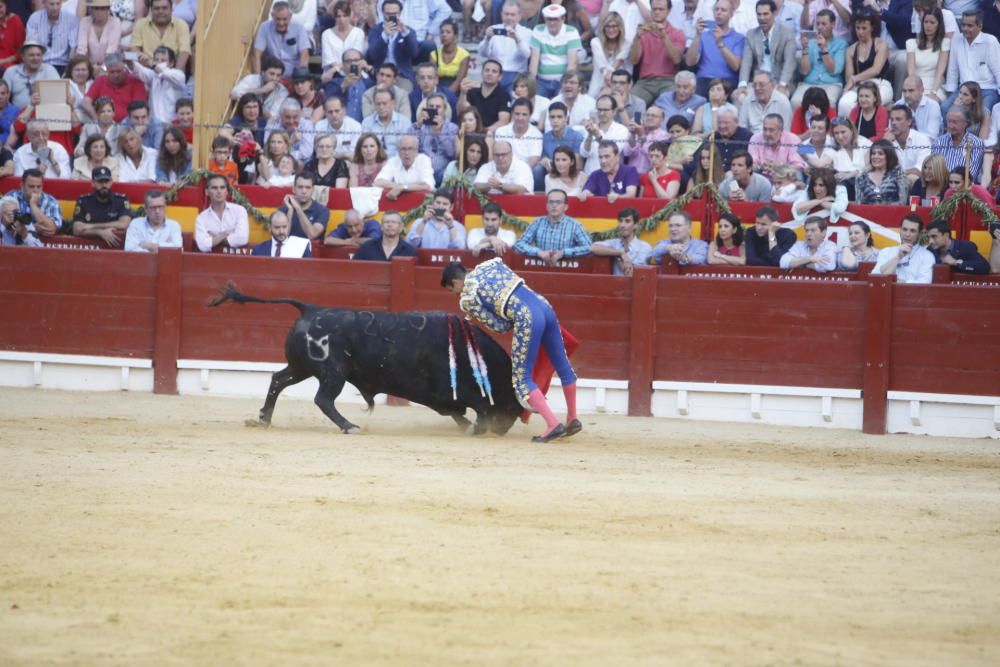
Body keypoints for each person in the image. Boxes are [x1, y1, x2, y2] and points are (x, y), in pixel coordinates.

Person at [734, 0, 797, 106]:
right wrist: (742, 84)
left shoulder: (787, 33)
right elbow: (746, 62)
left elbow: (789, 63)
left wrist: (782, 84)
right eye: (759, 14)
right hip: (758, 81)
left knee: (780, 98)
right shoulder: (751, 34)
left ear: (775, 13)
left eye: (765, 14)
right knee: (739, 97)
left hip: (779, 81)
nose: (762, 18)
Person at [942, 9, 1000, 115]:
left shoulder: (990, 42)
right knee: (945, 108)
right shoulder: (957, 40)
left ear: (980, 26)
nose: (965, 29)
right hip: (963, 90)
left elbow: (998, 71)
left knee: (983, 113)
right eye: (963, 25)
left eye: (969, 26)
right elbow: (953, 70)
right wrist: (952, 94)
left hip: (986, 90)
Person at [628, 0, 684, 106]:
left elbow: (676, 59)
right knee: (632, 106)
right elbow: (634, 60)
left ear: (669, 11)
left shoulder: (677, 33)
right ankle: (635, 122)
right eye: (654, 9)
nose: (657, 12)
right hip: (645, 82)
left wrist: (664, 37)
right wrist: (637, 38)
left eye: (661, 9)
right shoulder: (644, 32)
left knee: (668, 105)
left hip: (668, 81)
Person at [838, 10, 893, 118]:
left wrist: (855, 78)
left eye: (864, 28)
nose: (860, 32)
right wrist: (853, 81)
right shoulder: (850, 50)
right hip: (860, 86)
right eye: (857, 28)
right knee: (844, 103)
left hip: (880, 84)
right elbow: (849, 77)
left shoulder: (881, 44)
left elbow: (876, 70)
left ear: (872, 28)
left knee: (869, 102)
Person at [513, 188, 592, 263]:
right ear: (547, 206)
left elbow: (589, 248)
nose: (554, 205)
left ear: (566, 207)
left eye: (558, 202)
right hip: (540, 268)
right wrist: (538, 252)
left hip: (567, 270)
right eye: (551, 202)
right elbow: (519, 244)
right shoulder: (537, 222)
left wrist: (564, 253)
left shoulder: (575, 226)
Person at [685, 0, 745, 97]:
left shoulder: (739, 38)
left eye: (723, 10)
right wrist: (697, 35)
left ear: (731, 14)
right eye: (716, 9)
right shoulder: (703, 36)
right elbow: (690, 62)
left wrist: (720, 43)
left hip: (727, 81)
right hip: (704, 80)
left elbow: (735, 66)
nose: (719, 12)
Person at [791, 9, 846, 108]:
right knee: (796, 101)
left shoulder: (841, 44)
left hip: (831, 83)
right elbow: (805, 71)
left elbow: (834, 71)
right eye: (818, 24)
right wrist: (805, 49)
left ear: (833, 24)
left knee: (829, 102)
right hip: (809, 83)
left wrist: (824, 49)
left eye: (824, 24)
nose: (820, 27)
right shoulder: (810, 43)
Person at [479, 1, 533, 93]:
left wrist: (516, 39)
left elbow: (526, 55)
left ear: (519, 16)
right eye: (506, 14)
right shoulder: (494, 29)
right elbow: (483, 53)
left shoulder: (527, 32)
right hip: (495, 74)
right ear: (501, 14)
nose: (509, 17)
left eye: (512, 15)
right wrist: (487, 39)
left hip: (516, 75)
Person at [529, 4, 581, 98]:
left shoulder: (572, 32)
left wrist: (566, 85)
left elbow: (572, 63)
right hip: (542, 81)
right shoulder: (538, 30)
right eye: (549, 19)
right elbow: (534, 58)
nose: (552, 22)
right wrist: (532, 84)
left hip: (562, 81)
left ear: (563, 19)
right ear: (545, 19)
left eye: (555, 19)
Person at [69, 165, 130, 242]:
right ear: (92, 183)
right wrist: (99, 232)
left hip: (116, 246)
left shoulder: (121, 200)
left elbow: (125, 224)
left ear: (111, 182)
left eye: (106, 181)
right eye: (100, 182)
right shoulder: (84, 201)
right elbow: (76, 229)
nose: (104, 185)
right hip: (90, 247)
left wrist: (89, 226)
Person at [365, 0, 419, 86]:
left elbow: (414, 53)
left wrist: (405, 33)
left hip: (401, 75)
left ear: (400, 13)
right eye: (388, 14)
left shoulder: (408, 31)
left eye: (394, 13)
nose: (391, 16)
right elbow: (372, 55)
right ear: (382, 13)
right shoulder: (375, 31)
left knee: (405, 91)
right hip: (380, 75)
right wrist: (384, 36)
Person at [82, 52, 146, 122]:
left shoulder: (136, 82)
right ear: (107, 70)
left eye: (119, 71)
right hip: (103, 124)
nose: (116, 75)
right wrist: (96, 119)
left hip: (128, 126)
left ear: (125, 69)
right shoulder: (100, 81)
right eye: (112, 72)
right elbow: (86, 102)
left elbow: (139, 109)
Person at [872, 213, 935, 282]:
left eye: (912, 231)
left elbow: (925, 282)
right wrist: (898, 257)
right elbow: (875, 277)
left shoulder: (927, 256)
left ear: (920, 233)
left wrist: (901, 282)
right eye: (904, 229)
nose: (907, 234)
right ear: (900, 230)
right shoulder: (886, 251)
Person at [194, 173, 249, 252]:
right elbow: (202, 245)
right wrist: (225, 234)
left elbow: (242, 238)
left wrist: (214, 239)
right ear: (207, 192)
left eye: (222, 187)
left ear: (227, 191)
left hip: (236, 259)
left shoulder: (239, 211)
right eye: (214, 188)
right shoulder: (201, 218)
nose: (219, 191)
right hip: (211, 260)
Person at [129, 0, 190, 72]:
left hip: (172, 72)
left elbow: (184, 51)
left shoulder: (181, 25)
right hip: (147, 71)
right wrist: (143, 60)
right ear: (151, 10)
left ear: (171, 9)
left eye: (164, 8)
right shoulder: (141, 24)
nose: (160, 11)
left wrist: (175, 74)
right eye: (157, 8)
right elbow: (134, 48)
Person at [590, 206, 653, 276]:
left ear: (636, 225)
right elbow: (592, 248)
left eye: (627, 221)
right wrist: (620, 253)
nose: (622, 225)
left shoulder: (644, 247)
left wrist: (619, 259)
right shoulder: (614, 243)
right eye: (620, 221)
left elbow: (631, 274)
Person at [253, 0, 310, 77]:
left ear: (290, 16)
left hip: (292, 74)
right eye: (278, 19)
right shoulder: (264, 27)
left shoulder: (299, 28)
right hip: (272, 75)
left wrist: (300, 77)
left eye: (284, 19)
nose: (281, 23)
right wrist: (257, 78)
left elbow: (305, 54)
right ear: (272, 16)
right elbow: (256, 54)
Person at [411, 92, 459, 184]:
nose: (434, 109)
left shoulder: (453, 128)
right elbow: (411, 149)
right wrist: (419, 126)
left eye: (438, 107)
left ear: (444, 109)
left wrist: (439, 133)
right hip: (420, 171)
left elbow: (452, 154)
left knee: (447, 176)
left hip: (443, 171)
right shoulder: (416, 126)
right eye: (431, 106)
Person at [931, 105, 985, 183]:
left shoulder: (977, 144)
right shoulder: (939, 142)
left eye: (955, 122)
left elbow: (971, 175)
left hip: (963, 188)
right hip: (941, 185)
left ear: (966, 123)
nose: (950, 126)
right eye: (949, 121)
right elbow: (935, 171)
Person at [906, 7, 949, 102]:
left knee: (930, 103)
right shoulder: (911, 43)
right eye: (926, 22)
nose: (928, 26)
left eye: (932, 23)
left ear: (939, 24)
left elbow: (940, 72)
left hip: (936, 85)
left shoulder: (944, 43)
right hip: (916, 84)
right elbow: (911, 73)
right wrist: (915, 90)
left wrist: (933, 92)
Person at [373, 133, 435, 198]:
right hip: (398, 201)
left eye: (410, 149)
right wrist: (400, 187)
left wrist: (403, 187)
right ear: (398, 151)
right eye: (403, 149)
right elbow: (378, 182)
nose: (407, 153)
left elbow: (428, 186)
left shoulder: (424, 160)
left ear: (416, 151)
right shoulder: (393, 161)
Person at [230, 55, 290, 122]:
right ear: (262, 73)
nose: (274, 78)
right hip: (243, 120)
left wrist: (256, 106)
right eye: (271, 74)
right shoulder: (251, 79)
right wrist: (261, 90)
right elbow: (234, 93)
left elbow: (272, 117)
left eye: (278, 75)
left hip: (265, 125)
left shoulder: (282, 91)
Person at [579, 94, 629, 173]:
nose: (602, 113)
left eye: (605, 110)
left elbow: (613, 151)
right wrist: (590, 135)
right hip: (590, 175)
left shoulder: (622, 130)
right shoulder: (591, 128)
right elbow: (584, 153)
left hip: (610, 176)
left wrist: (598, 135)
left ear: (614, 111)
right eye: (599, 109)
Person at [748, 113, 806, 180]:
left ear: (781, 130)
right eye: (765, 129)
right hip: (761, 178)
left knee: (798, 174)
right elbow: (751, 164)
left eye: (771, 130)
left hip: (785, 179)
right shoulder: (755, 139)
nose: (767, 133)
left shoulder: (793, 140)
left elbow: (798, 166)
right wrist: (761, 167)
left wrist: (779, 167)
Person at [3, 40, 59, 109]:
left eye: (39, 55)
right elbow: (2, 95)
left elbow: (58, 95)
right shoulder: (11, 71)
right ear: (23, 57)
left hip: (42, 115)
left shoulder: (49, 70)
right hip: (16, 116)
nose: (36, 58)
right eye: (31, 55)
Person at [457, 59, 510, 131]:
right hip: (471, 131)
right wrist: (463, 93)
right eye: (487, 70)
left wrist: (484, 132)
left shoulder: (504, 96)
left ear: (500, 77)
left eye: (494, 71)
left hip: (492, 134)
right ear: (482, 73)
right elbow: (461, 112)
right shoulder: (472, 92)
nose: (489, 73)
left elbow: (503, 122)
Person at [26, 0, 78, 73]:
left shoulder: (71, 19)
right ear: (44, 3)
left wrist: (70, 69)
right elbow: (31, 45)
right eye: (51, 4)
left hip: (63, 65)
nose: (55, 8)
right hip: (40, 64)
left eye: (58, 4)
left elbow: (73, 47)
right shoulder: (34, 18)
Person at [123, 188, 180, 252]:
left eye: (160, 207)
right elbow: (129, 249)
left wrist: (150, 246)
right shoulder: (136, 224)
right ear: (146, 209)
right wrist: (163, 248)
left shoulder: (173, 225)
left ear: (165, 207)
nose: (157, 211)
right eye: (153, 208)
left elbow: (178, 249)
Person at [7, 168, 61, 236]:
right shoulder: (11, 197)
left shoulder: (50, 201)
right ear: (22, 185)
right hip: (13, 243)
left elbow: (51, 228)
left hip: (41, 245)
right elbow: (6, 226)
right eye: (31, 186)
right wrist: (33, 228)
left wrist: (33, 205)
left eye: (39, 187)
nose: (35, 190)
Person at [277, 171, 331, 240]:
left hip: (311, 250)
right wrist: (290, 211)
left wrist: (298, 208)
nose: (304, 191)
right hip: (287, 249)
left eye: (308, 187)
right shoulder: (283, 210)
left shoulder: (322, 211)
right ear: (294, 189)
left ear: (313, 190)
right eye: (300, 187)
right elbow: (282, 238)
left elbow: (312, 235)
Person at [884, 104, 932, 180]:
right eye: (892, 119)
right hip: (891, 184)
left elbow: (920, 171)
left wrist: (896, 174)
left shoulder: (922, 140)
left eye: (898, 119)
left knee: (913, 177)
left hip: (915, 184)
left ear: (909, 122)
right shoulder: (887, 139)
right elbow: (876, 168)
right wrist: (885, 144)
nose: (893, 123)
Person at [494, 98, 542, 171]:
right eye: (517, 114)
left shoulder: (537, 134)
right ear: (512, 113)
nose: (520, 118)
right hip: (504, 170)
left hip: (525, 171)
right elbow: (498, 156)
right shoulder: (501, 131)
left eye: (524, 114)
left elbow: (534, 159)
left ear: (530, 115)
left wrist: (519, 174)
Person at [925, 218, 991, 273]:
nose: (930, 241)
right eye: (929, 237)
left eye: (934, 236)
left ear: (946, 235)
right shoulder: (929, 250)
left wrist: (957, 262)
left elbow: (985, 267)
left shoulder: (965, 247)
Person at [361, 86, 409, 158]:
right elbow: (365, 148)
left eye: (384, 104)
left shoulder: (404, 122)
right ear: (374, 104)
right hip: (374, 162)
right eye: (378, 104)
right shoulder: (367, 123)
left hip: (398, 163)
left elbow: (405, 149)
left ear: (392, 103)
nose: (381, 107)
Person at [857, 138, 909, 204]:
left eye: (880, 154)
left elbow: (903, 202)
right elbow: (859, 204)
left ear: (888, 156)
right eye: (873, 153)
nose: (876, 156)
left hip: (893, 213)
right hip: (868, 213)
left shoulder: (898, 174)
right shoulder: (862, 178)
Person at [353, 210, 417, 260]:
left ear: (401, 227)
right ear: (381, 227)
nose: (390, 225)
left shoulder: (409, 251)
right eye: (386, 222)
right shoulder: (367, 247)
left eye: (394, 222)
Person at [314, 95, 363, 161]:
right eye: (330, 112)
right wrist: (344, 155)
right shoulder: (319, 126)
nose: (334, 115)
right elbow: (319, 154)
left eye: (337, 111)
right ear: (325, 113)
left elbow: (353, 156)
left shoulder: (355, 126)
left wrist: (330, 154)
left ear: (344, 111)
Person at [624, 106, 669, 174]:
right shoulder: (637, 130)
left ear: (662, 120)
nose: (649, 118)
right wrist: (633, 134)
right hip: (630, 173)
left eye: (654, 116)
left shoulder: (664, 136)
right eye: (647, 115)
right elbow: (627, 153)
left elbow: (653, 155)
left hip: (650, 176)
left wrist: (642, 136)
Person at [76, 0, 123, 67]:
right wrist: (89, 68)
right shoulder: (84, 22)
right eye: (96, 8)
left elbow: (111, 50)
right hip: (88, 67)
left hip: (111, 66)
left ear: (108, 9)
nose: (99, 12)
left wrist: (102, 68)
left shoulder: (115, 22)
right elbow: (81, 49)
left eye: (102, 9)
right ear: (91, 9)